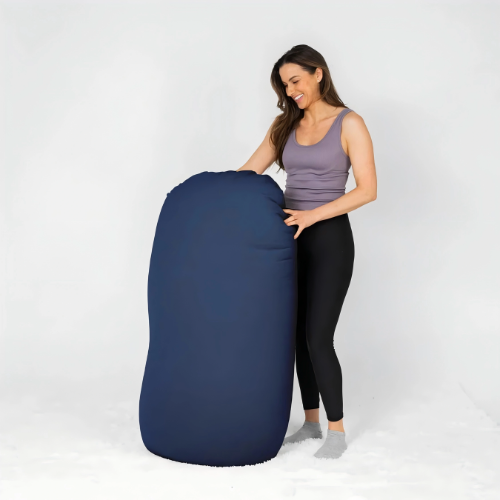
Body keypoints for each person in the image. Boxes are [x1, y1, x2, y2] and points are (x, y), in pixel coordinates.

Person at [237, 44, 377, 459]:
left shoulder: (349, 123)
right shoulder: (285, 125)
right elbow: (248, 173)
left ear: (318, 73)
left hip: (330, 238)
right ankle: (311, 422)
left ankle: (336, 431)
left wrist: (313, 215)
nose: (290, 90)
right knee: (296, 335)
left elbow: (367, 190)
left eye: (295, 80)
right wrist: (211, 189)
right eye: (284, 85)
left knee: (318, 337)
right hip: (288, 239)